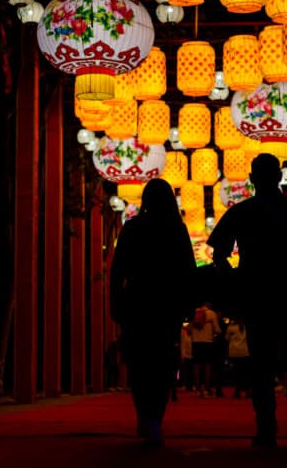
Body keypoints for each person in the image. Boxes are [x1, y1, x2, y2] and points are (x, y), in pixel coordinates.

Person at [207, 153, 287, 452]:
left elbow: (217, 254)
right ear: (279, 178)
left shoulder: (243, 212)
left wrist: (237, 278)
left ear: (252, 179)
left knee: (262, 367)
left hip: (259, 298)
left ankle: (267, 430)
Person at [109, 178, 198, 447]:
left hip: (138, 302)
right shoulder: (176, 229)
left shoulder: (133, 228)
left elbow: (117, 270)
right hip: (166, 304)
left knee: (139, 362)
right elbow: (188, 270)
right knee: (162, 362)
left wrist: (115, 300)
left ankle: (144, 414)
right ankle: (154, 418)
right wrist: (188, 303)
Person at [188, 301, 221, 397]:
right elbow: (217, 329)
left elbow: (189, 330)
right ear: (209, 306)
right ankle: (206, 389)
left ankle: (198, 390)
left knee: (196, 366)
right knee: (207, 366)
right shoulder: (212, 313)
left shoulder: (195, 313)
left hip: (196, 343)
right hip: (208, 343)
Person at [225, 316, 251, 399]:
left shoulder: (231, 327)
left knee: (236, 373)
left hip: (234, 352)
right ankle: (247, 391)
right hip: (244, 351)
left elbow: (227, 338)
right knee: (245, 373)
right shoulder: (245, 327)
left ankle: (237, 391)